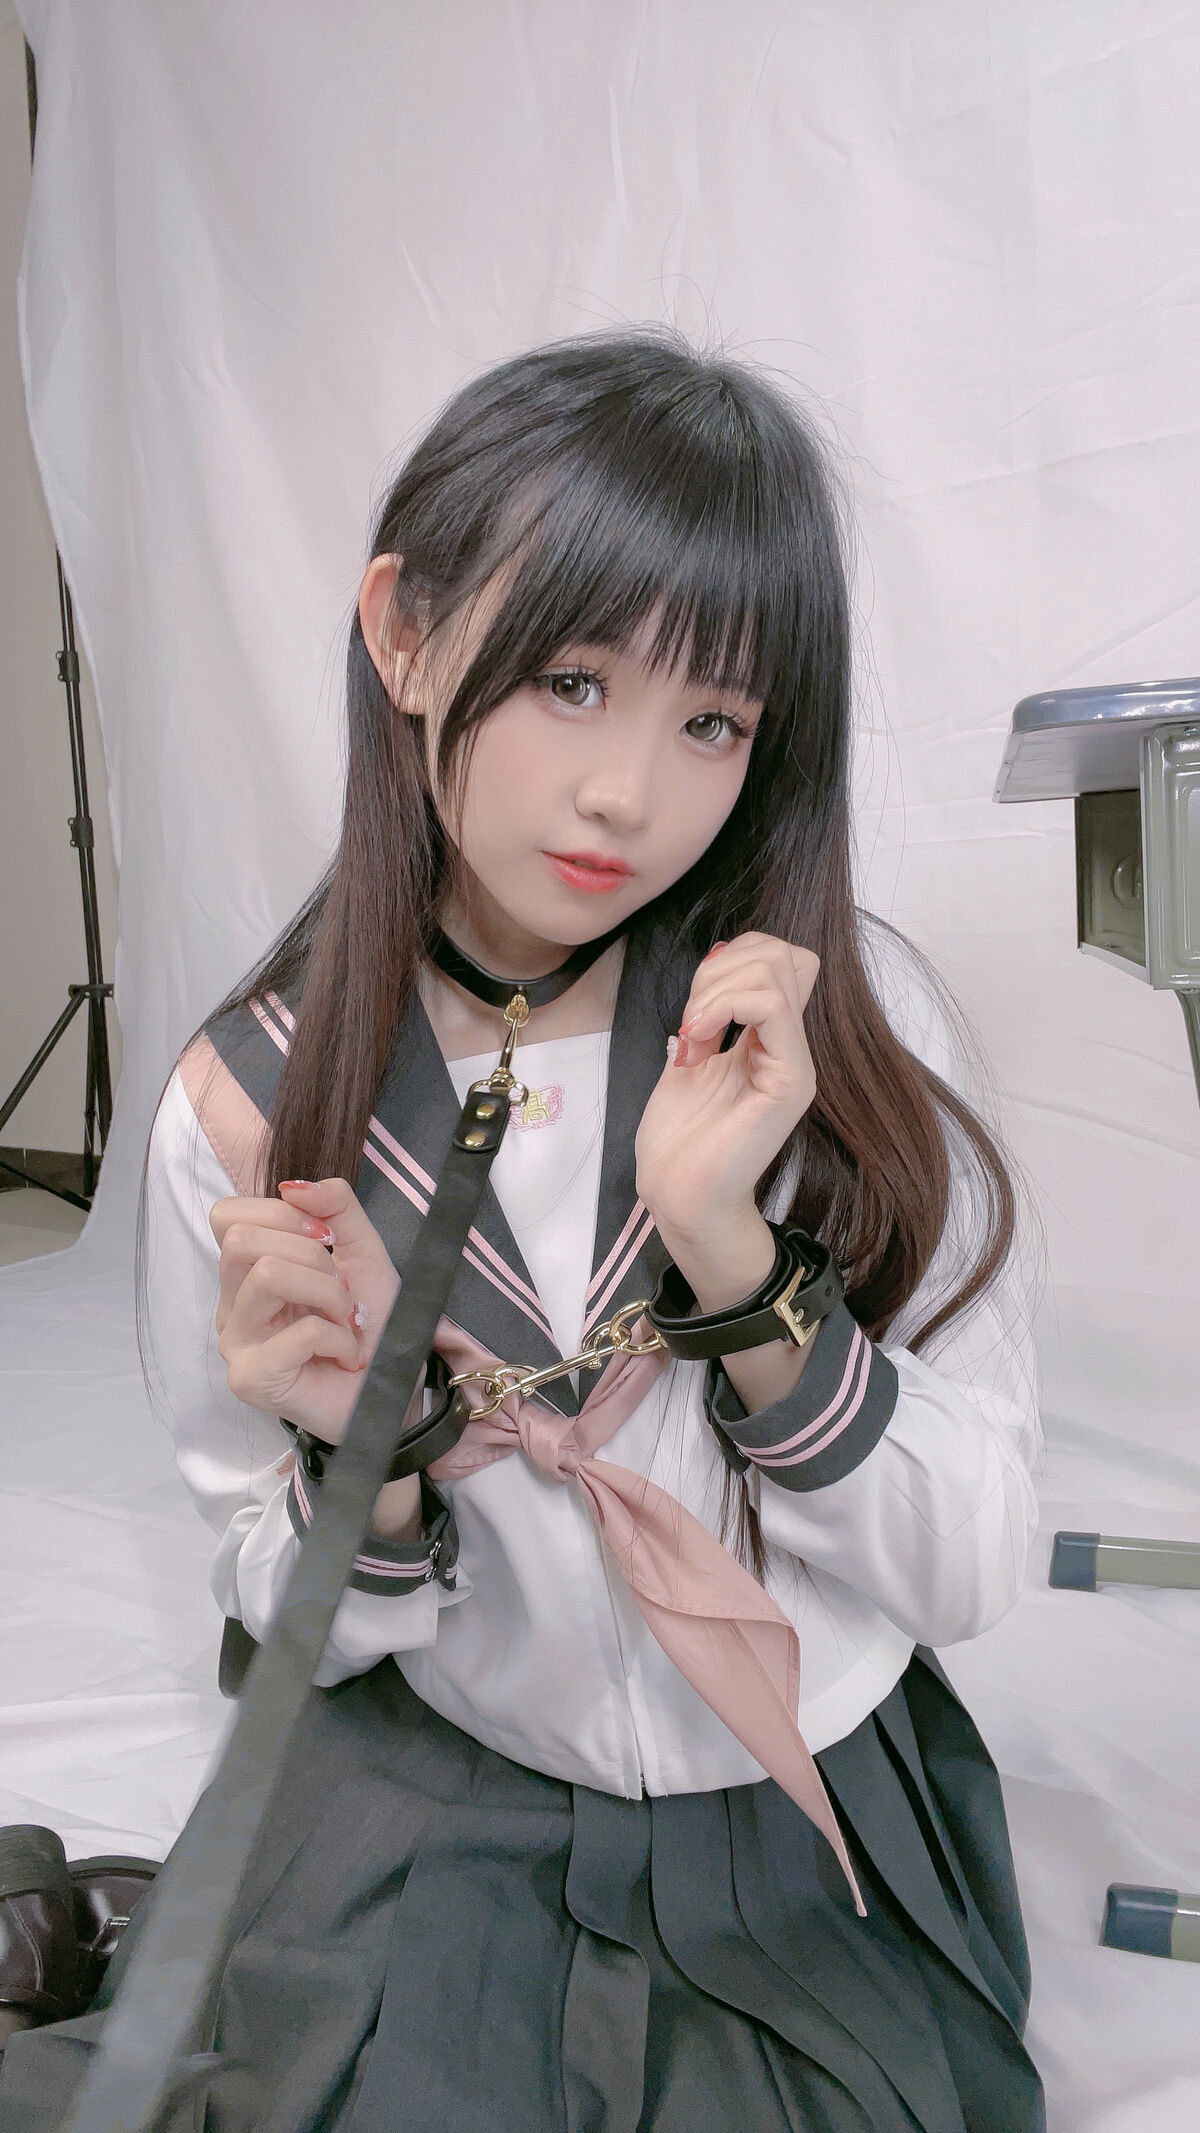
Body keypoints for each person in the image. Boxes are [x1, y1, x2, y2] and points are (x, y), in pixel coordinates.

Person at [0, 328, 1048, 2132]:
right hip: (448, 1784)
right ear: (404, 634)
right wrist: (371, 1463)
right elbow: (283, 1601)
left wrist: (740, 1270)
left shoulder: (831, 1038)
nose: (628, 792)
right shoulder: (252, 1109)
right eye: (572, 680)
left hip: (795, 1809)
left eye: (713, 721)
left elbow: (971, 1566)